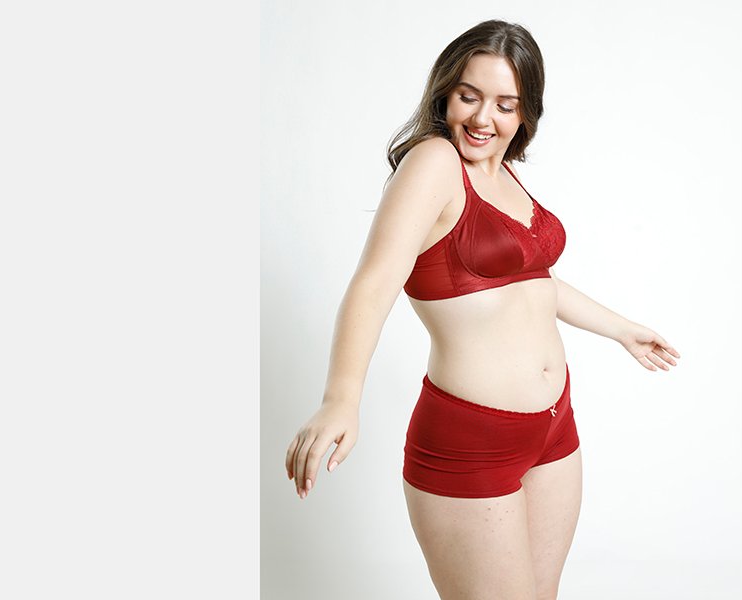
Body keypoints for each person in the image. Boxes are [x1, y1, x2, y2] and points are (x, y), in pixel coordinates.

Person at [285, 19, 679, 600]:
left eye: (504, 105)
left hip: (554, 429)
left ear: (526, 113)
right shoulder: (434, 163)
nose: (482, 118)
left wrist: (622, 330)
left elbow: (533, 284)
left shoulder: (504, 174)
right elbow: (374, 282)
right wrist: (341, 397)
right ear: (445, 92)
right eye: (469, 97)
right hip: (471, 441)